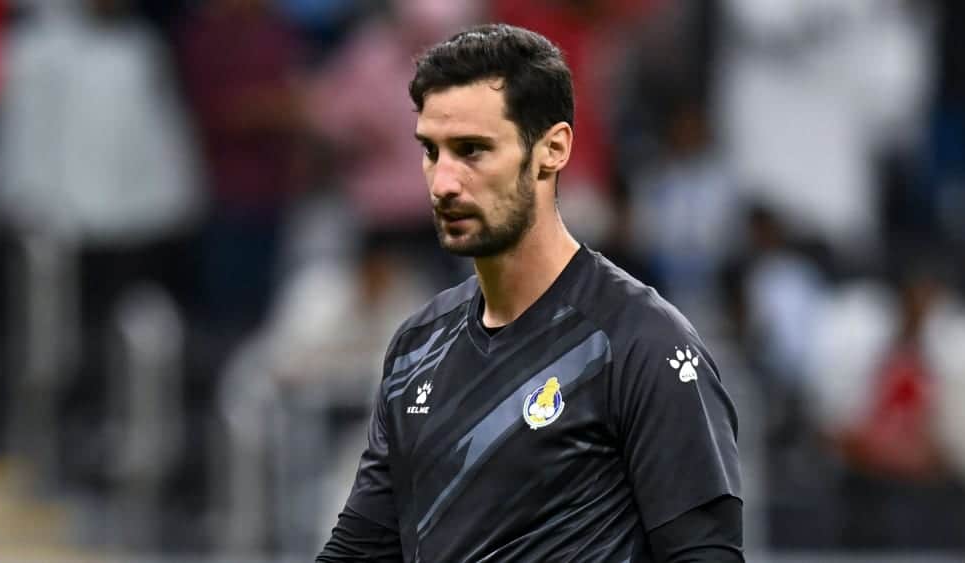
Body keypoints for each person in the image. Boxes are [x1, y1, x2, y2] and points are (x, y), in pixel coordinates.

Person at [317, 24, 742, 562]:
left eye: (472, 150)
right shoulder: (416, 347)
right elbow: (358, 553)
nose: (442, 182)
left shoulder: (643, 343)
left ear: (552, 150)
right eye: (431, 151)